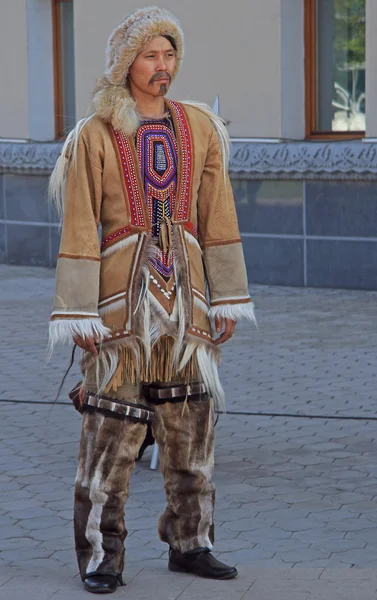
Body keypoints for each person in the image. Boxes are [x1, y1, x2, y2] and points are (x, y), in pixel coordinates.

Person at [49, 6, 255, 594]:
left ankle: (191, 543)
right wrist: (79, 311)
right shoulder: (94, 135)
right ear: (126, 63)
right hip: (118, 309)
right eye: (150, 56)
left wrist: (226, 301)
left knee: (191, 430)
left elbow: (218, 218)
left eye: (169, 55)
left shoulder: (199, 128)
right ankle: (100, 556)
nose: (162, 67)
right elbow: (81, 226)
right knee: (110, 439)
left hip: (186, 306)